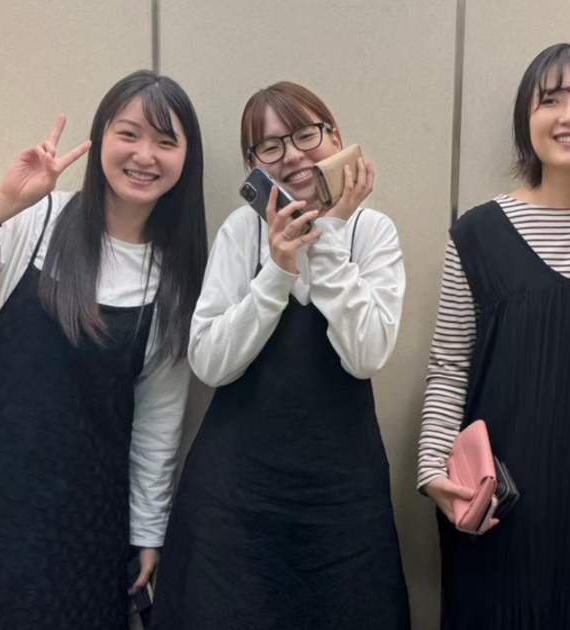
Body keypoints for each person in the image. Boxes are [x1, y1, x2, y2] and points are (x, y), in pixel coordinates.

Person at [418, 40, 570, 629]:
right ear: (525, 119)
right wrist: (433, 471)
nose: (569, 116)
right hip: (500, 504)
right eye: (550, 100)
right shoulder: (477, 234)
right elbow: (449, 367)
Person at [152, 81, 410, 629]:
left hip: (341, 499)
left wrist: (330, 233)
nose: (292, 155)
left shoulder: (372, 231)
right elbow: (209, 362)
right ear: (254, 164)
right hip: (234, 499)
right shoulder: (242, 230)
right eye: (270, 146)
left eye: (305, 134)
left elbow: (366, 355)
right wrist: (277, 271)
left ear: (335, 137)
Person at [0, 69, 207, 630]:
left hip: (89, 521)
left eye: (165, 141)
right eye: (129, 134)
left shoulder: (173, 278)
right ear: (100, 139)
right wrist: (0, 202)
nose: (144, 155)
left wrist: (148, 533)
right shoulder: (38, 216)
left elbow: (157, 422)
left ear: (186, 160)